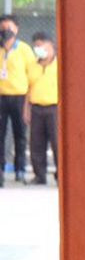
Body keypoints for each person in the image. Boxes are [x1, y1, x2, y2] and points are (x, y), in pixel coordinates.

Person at [0, 17, 31, 185]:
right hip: (1, 97)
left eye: (9, 27)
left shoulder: (24, 50)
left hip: (19, 97)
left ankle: (20, 171)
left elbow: (31, 76)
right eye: (3, 27)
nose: (6, 30)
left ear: (17, 29)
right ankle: (1, 171)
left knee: (20, 135)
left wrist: (28, 102)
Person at [26, 32, 55, 185]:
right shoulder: (33, 65)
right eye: (35, 46)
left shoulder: (59, 64)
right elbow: (28, 88)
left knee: (57, 143)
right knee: (36, 143)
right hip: (37, 108)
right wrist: (27, 110)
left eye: (39, 46)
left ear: (49, 45)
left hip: (54, 108)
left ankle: (60, 175)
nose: (37, 49)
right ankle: (39, 175)